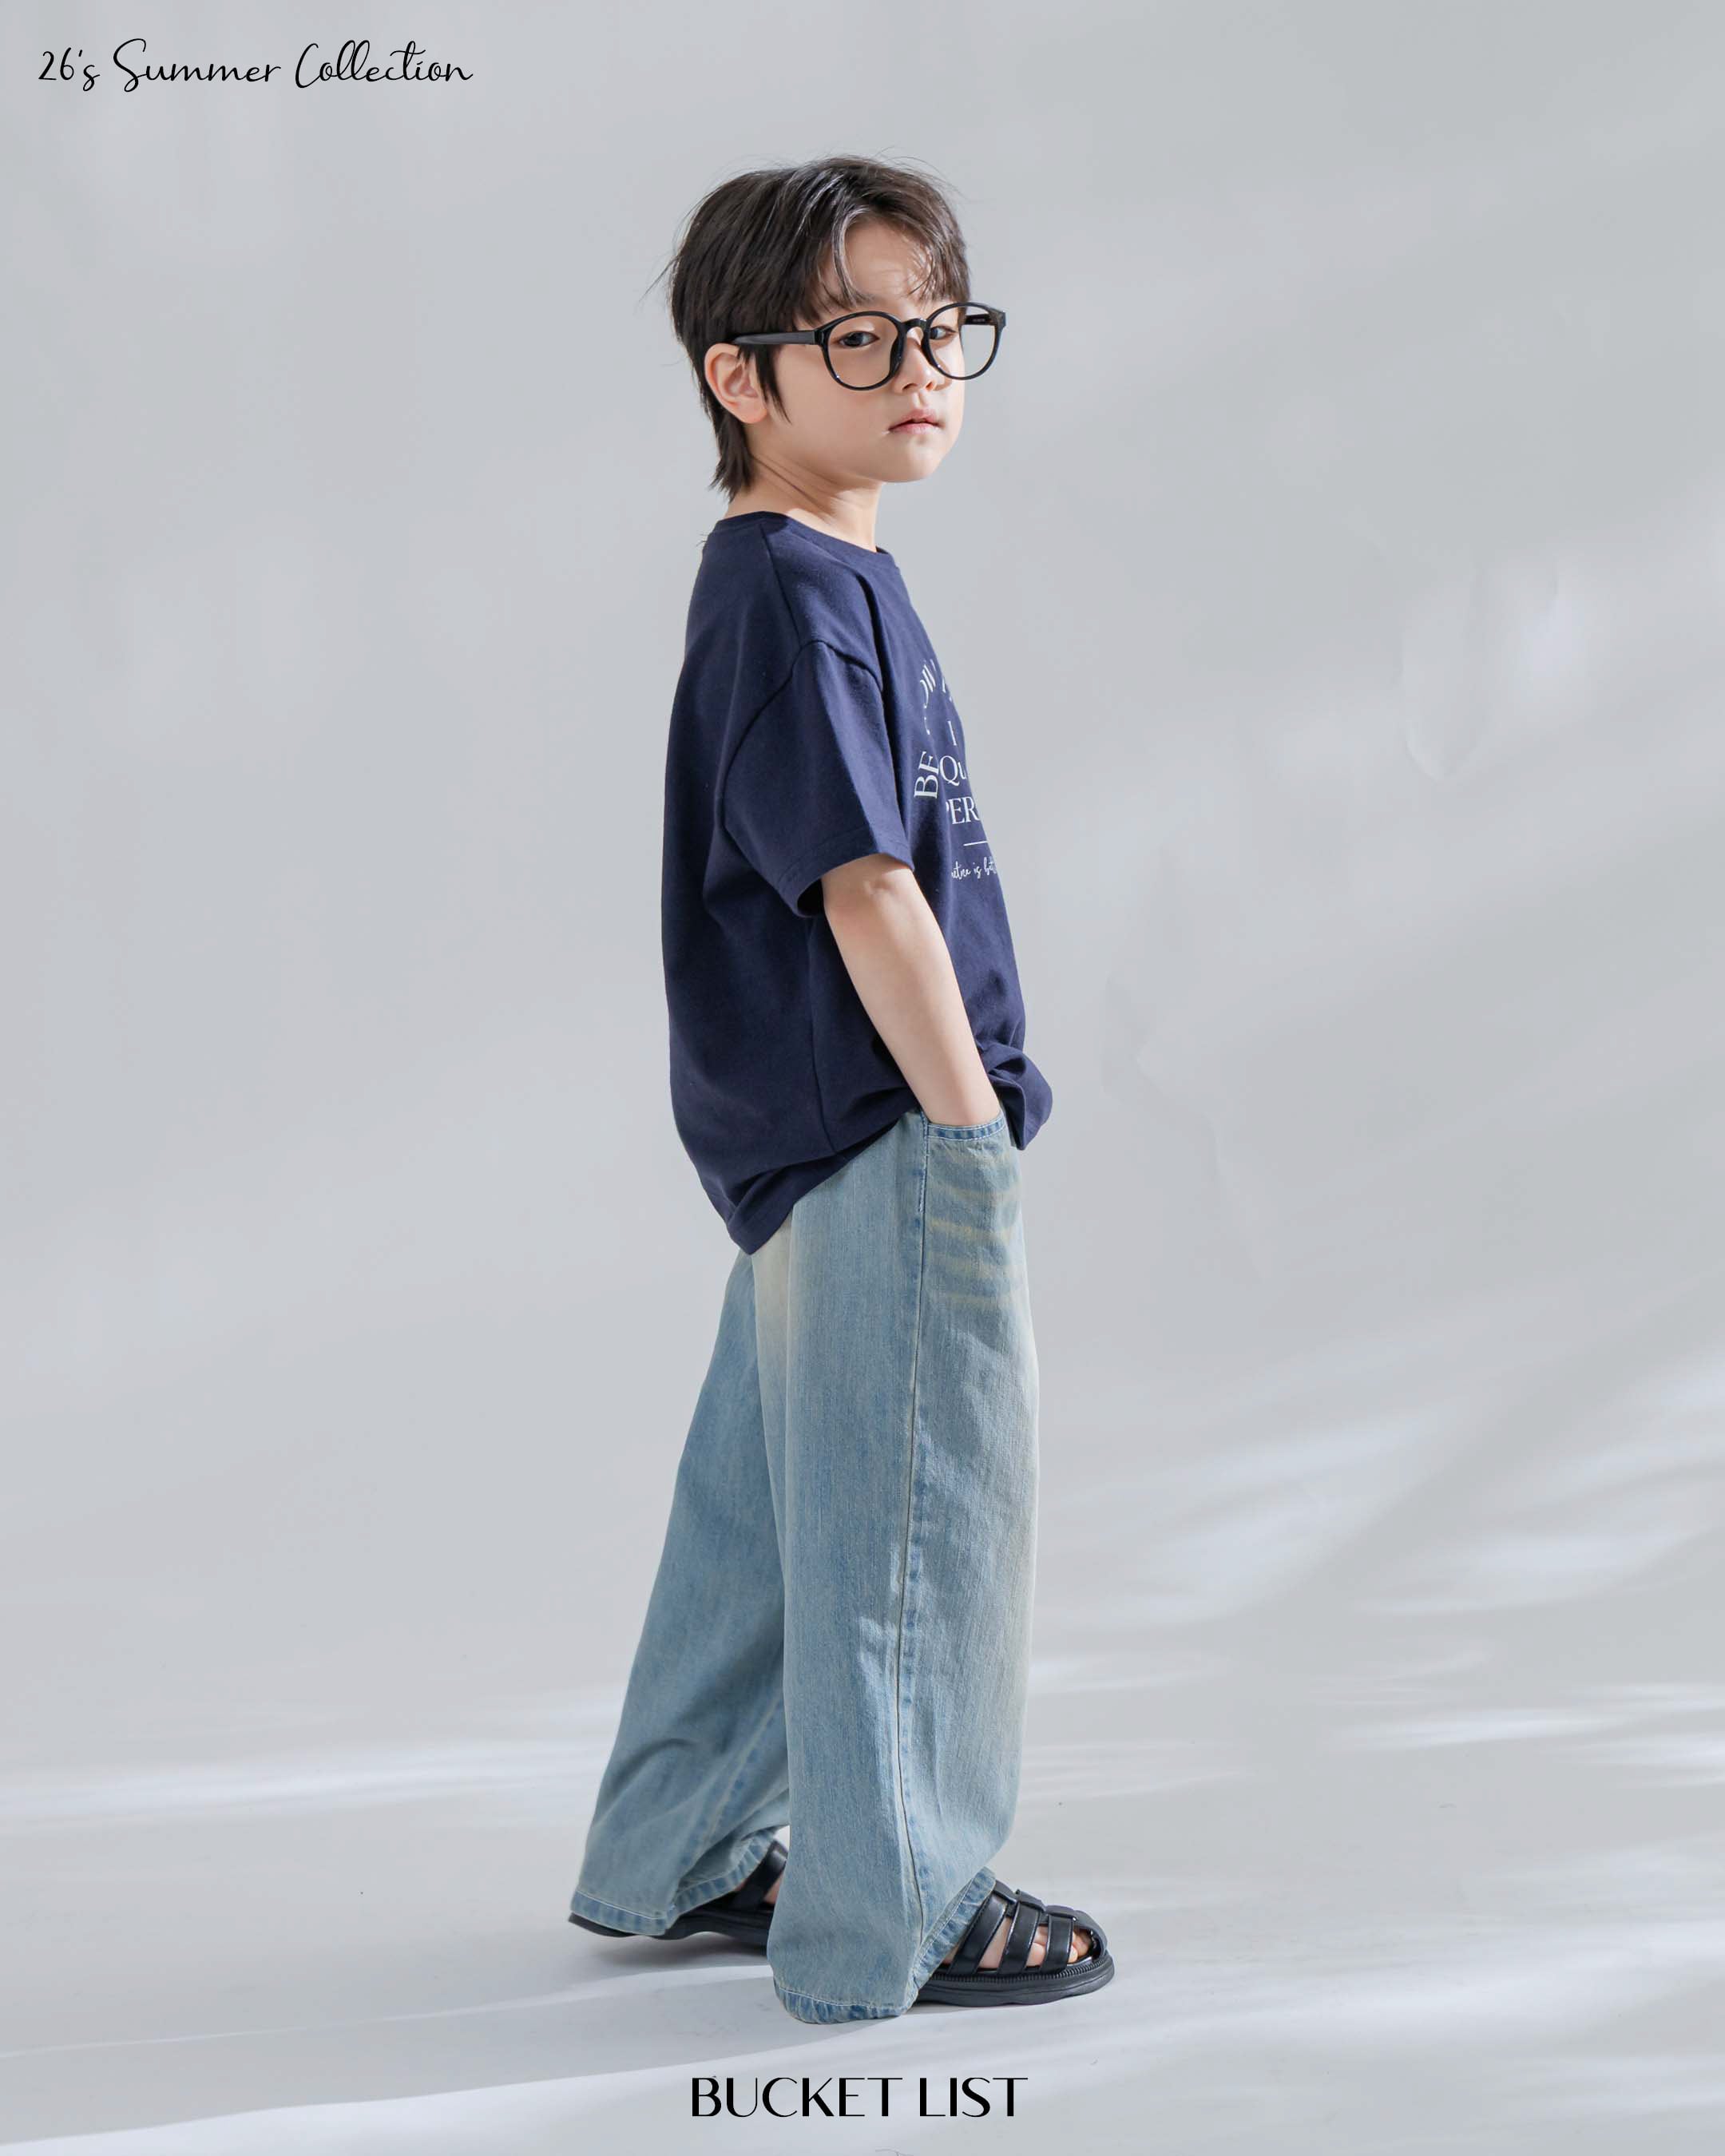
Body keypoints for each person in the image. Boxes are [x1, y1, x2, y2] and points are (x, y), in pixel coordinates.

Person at [565, 154, 1113, 2024]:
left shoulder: (817, 576)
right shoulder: (794, 593)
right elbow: (866, 887)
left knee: (769, 1514)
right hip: (882, 1131)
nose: (920, 368)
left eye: (941, 329)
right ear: (742, 378)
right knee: (917, 1517)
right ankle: (906, 1902)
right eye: (861, 338)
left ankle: (677, 1844)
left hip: (812, 1141)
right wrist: (965, 1130)